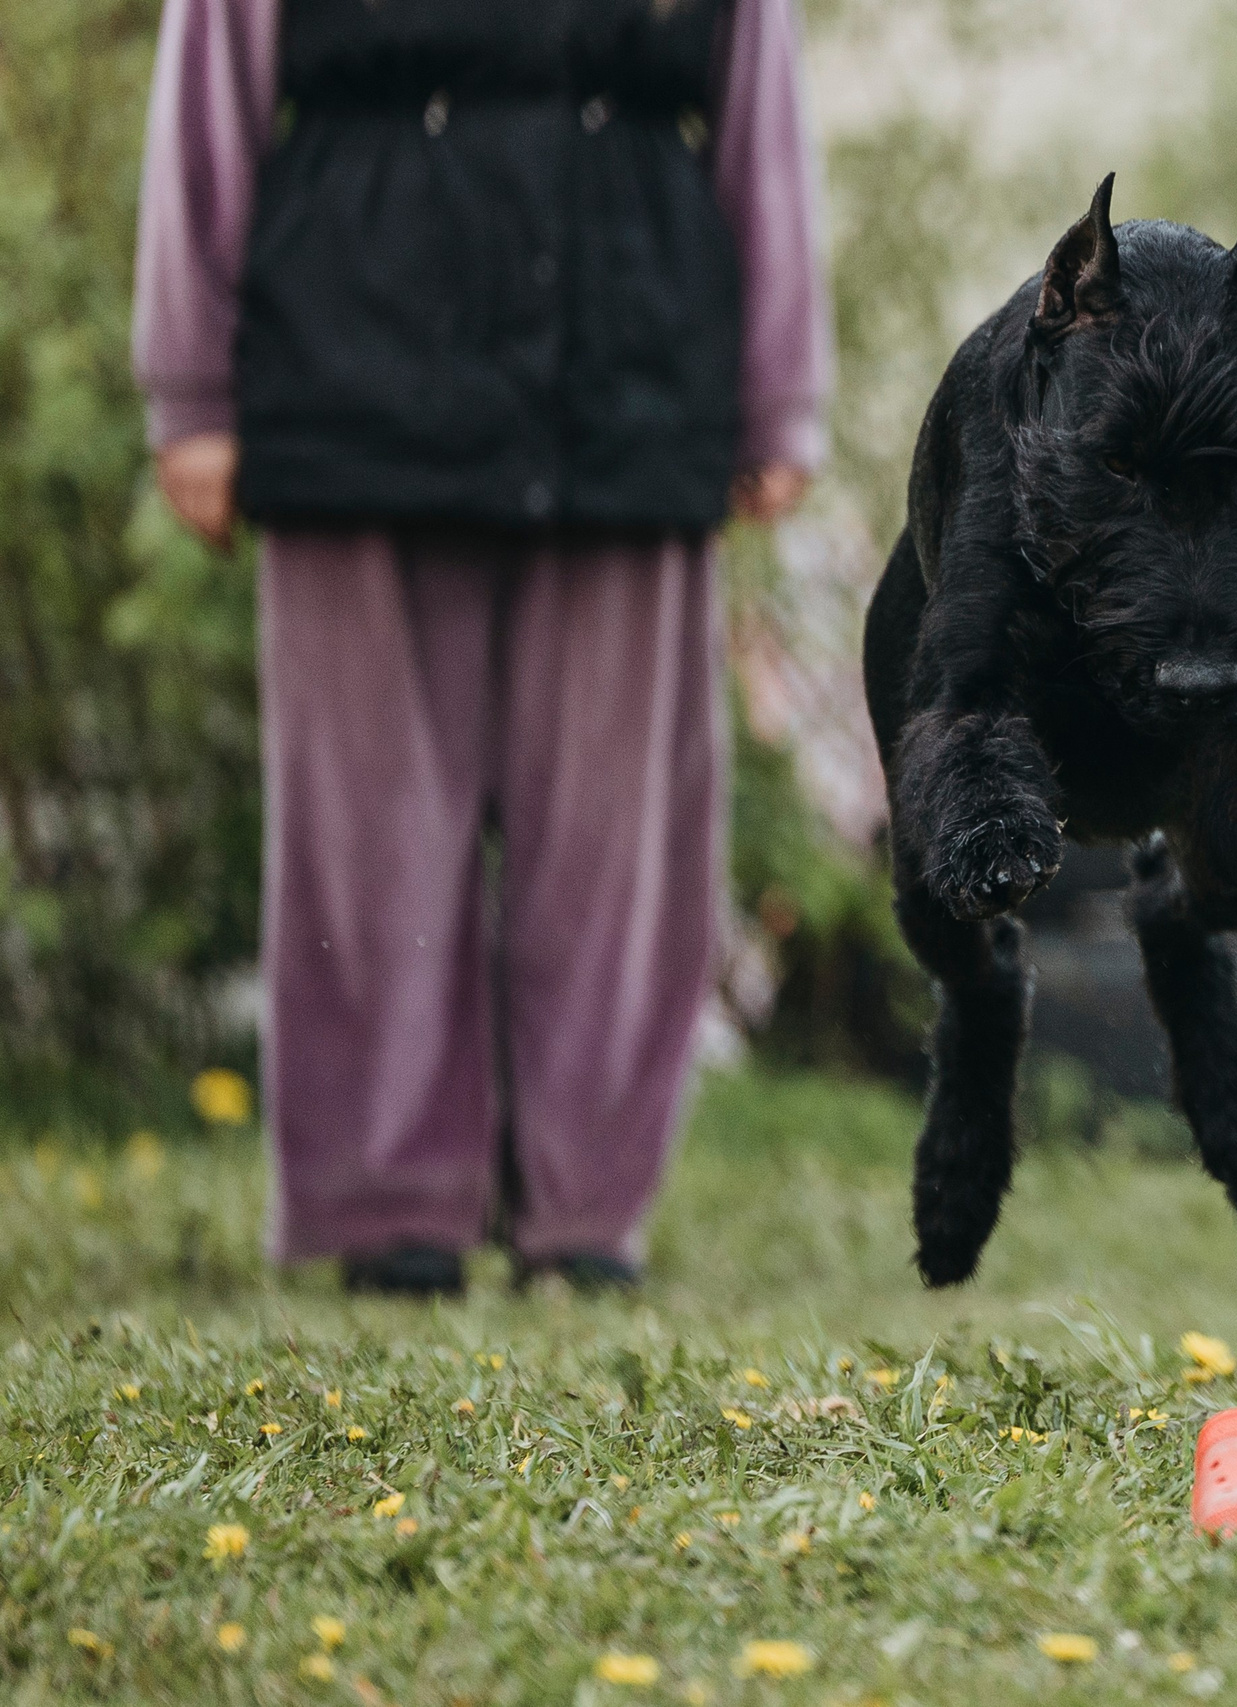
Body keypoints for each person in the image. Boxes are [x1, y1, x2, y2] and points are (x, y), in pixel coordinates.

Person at [132, 0, 834, 1295]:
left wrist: (779, 389)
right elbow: (210, 87)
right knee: (368, 827)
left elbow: (758, 98)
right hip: (352, 358)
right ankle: (394, 1202)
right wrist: (191, 389)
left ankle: (585, 1214)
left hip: (632, 361)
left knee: (616, 836)